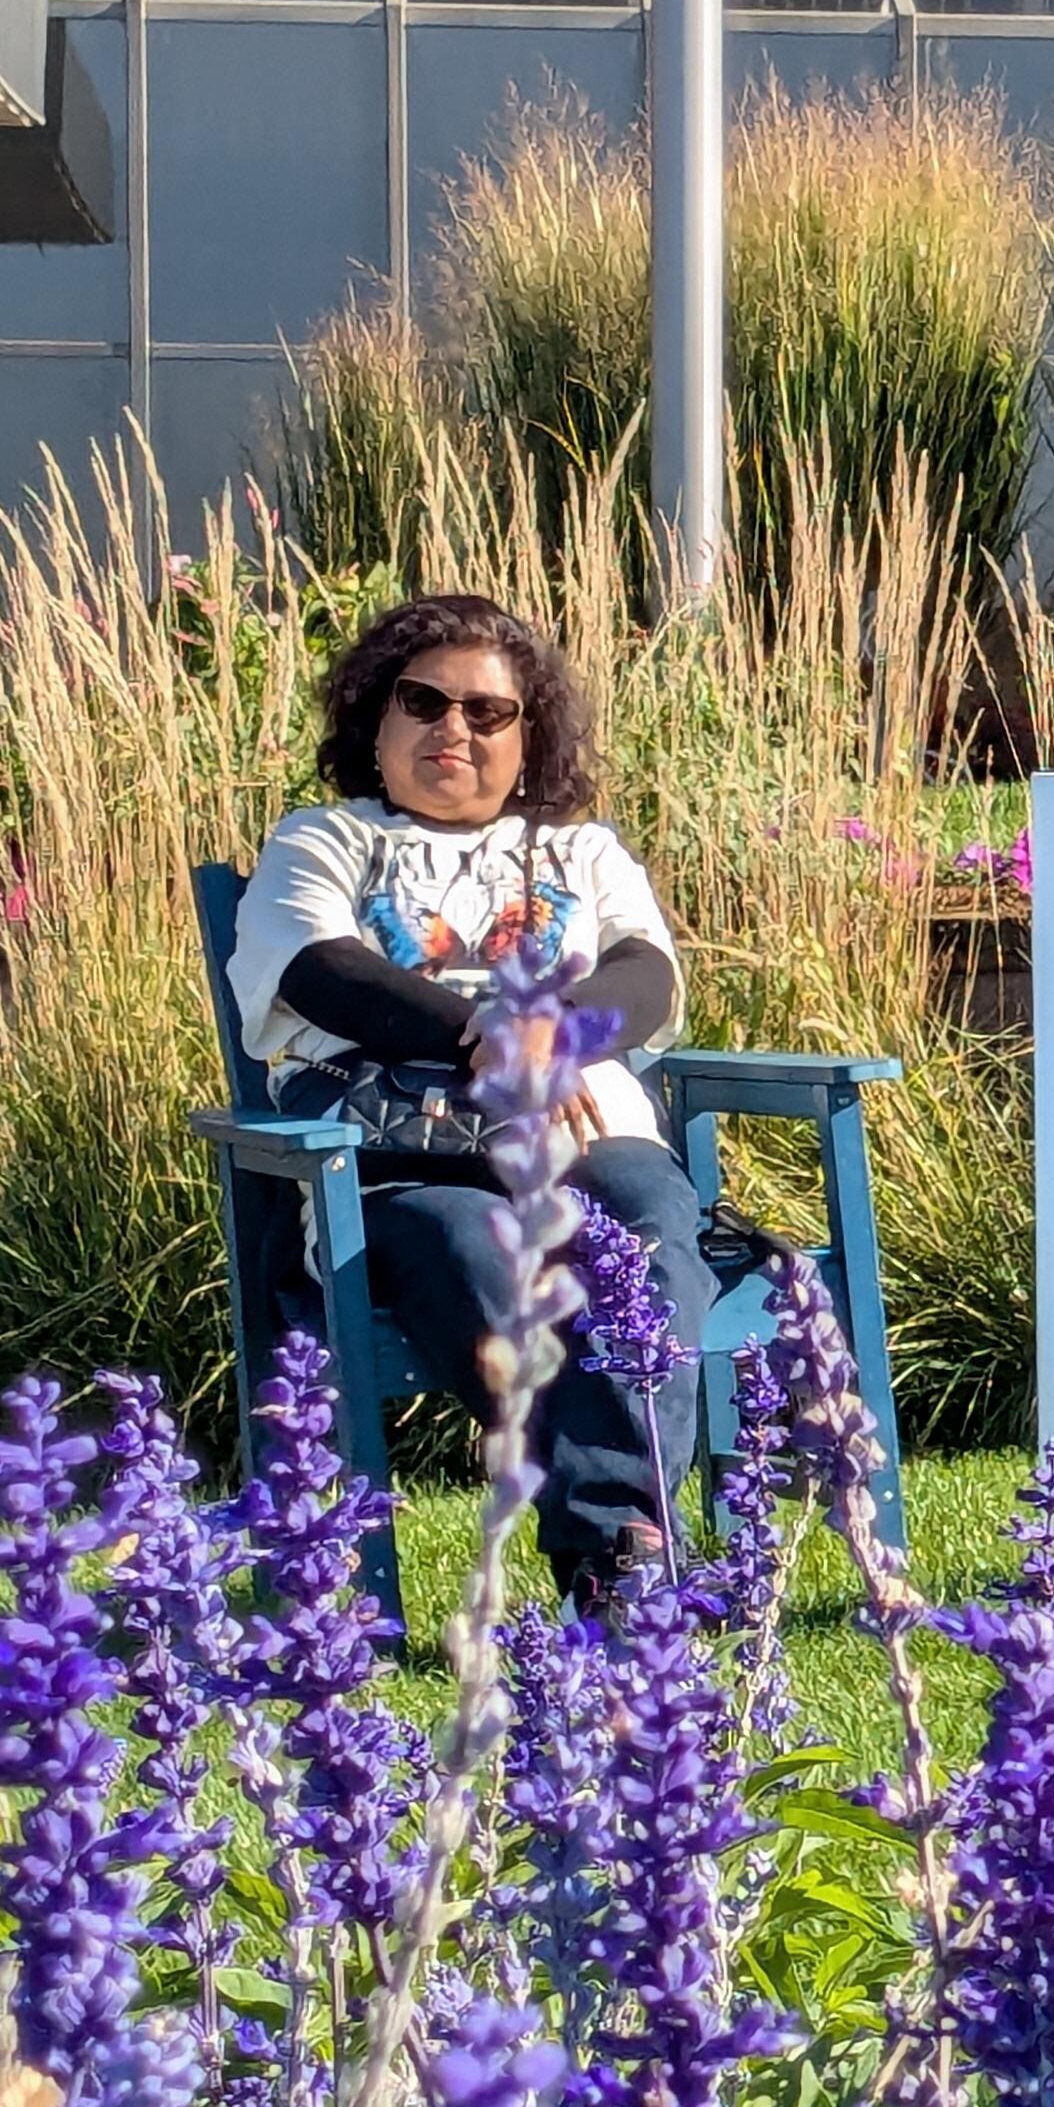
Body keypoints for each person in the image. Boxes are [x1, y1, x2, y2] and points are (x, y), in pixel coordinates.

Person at [230, 593, 708, 1604]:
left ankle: (614, 1550)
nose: (454, 728)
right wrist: (489, 1030)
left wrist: (554, 1030)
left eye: (488, 712)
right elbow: (320, 969)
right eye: (424, 702)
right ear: (378, 720)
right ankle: (622, 1555)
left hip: (587, 1137)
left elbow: (648, 975)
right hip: (402, 1155)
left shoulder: (584, 852)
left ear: (528, 738)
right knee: (476, 1249)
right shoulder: (323, 842)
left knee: (651, 1221)